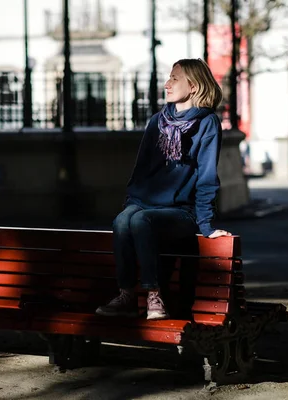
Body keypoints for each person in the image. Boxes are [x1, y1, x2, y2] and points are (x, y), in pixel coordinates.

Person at [96, 59, 232, 320]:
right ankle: (126, 295)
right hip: (145, 203)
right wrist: (131, 201)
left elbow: (206, 177)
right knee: (124, 219)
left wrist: (206, 224)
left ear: (193, 86)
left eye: (174, 78)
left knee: (141, 220)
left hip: (181, 210)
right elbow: (142, 168)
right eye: (168, 78)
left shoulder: (207, 123)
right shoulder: (158, 121)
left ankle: (153, 294)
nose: (167, 84)